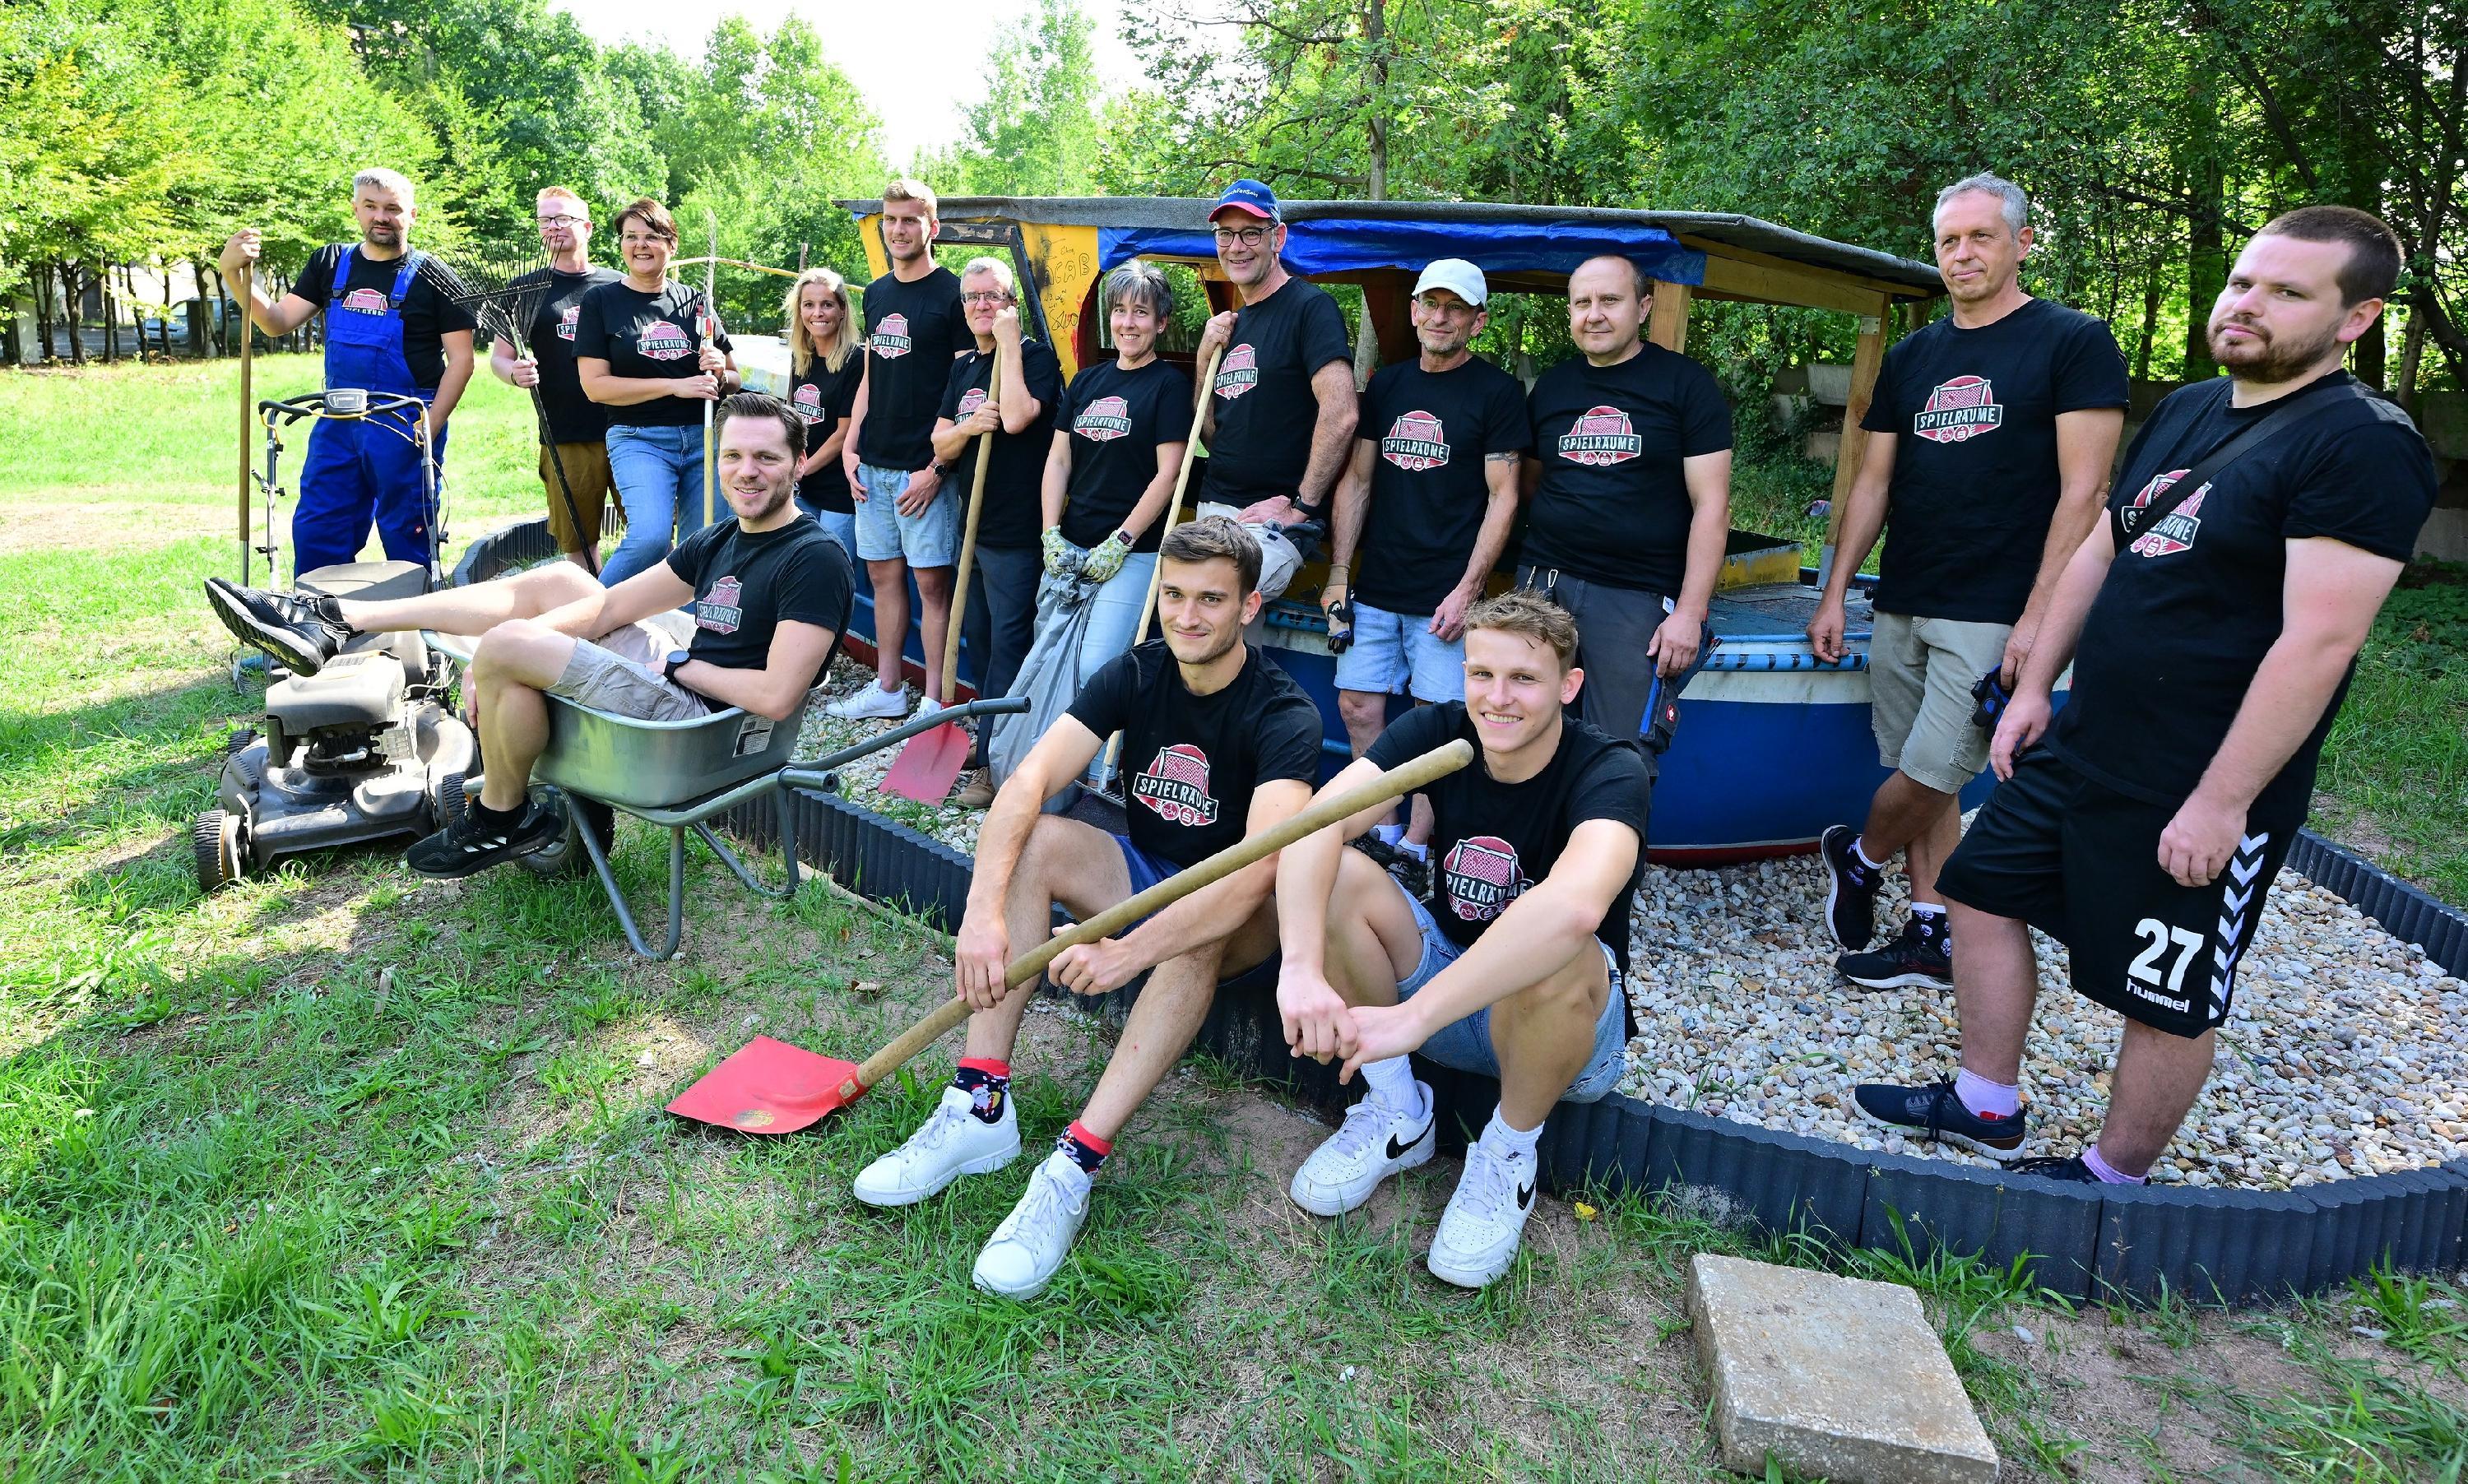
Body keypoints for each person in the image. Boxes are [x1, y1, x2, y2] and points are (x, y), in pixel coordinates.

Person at [1852, 207, 2435, 1185]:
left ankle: (2111, 1180)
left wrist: (2223, 801)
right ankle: (1986, 1101)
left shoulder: (2361, 443)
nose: (2247, 304)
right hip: (2087, 735)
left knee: (2166, 988)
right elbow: (2104, 544)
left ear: (2357, 318)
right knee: (1978, 891)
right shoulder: (2192, 406)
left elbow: (2320, 641)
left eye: (2288, 292)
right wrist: (2035, 686)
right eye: (2243, 282)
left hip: (2198, 770)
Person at [849, 518, 1320, 1298]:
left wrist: (1128, 952)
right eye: (1174, 595)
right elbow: (1028, 782)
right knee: (1035, 840)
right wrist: (982, 911)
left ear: (1249, 607)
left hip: (1237, 915)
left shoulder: (1284, 713)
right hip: (1146, 875)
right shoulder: (1137, 670)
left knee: (1197, 925)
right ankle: (980, 1103)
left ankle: (1075, 1163)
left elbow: (1254, 872)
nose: (1187, 616)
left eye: (1211, 599)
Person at [201, 393, 852, 879]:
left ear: (799, 463)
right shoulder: (723, 537)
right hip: (678, 682)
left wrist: (680, 667)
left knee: (509, 648)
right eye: (733, 455)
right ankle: (338, 618)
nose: (746, 471)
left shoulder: (812, 559)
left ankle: (502, 814)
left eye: (766, 457)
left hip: (701, 724)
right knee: (563, 583)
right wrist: (502, 656)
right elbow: (608, 607)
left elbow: (776, 697)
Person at [1807, 174, 2128, 992]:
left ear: (2021, 243)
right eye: (1949, 241)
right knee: (1924, 772)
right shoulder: (1914, 357)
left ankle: (1859, 855)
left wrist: (2040, 618)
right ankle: (1930, 930)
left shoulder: (2073, 342)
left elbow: (2086, 493)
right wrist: (1836, 590)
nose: (1962, 254)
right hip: (1905, 594)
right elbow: (1874, 483)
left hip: (1997, 605)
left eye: (1981, 236)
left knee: (1938, 767)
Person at [1273, 589, 1645, 1287]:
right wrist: (1298, 967)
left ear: (1568, 687)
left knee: (1553, 940)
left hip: (1557, 1039)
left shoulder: (1610, 768)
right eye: (1481, 674)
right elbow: (1316, 824)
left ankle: (1508, 1154)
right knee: (1340, 874)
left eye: (1524, 678)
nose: (1497, 699)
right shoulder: (1441, 733)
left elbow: (1573, 910)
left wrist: (1412, 1017)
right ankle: (1398, 1110)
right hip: (1448, 994)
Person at [1321, 258, 1527, 850]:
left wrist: (1468, 591)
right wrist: (1339, 574)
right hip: (1377, 585)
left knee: (1435, 721)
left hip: (1446, 593)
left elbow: (1504, 497)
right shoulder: (1387, 386)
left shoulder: (1498, 393)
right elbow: (1357, 481)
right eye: (1431, 304)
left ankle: (1415, 845)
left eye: (1455, 308)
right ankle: (1381, 830)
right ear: (1414, 312)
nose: (1441, 317)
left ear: (1477, 321)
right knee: (1357, 706)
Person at [216, 168, 476, 576]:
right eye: (371, 206)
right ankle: (320, 610)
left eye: (393, 208)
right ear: (356, 209)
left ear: (412, 214)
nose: (381, 217)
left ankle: (414, 611)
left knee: (407, 528)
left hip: (405, 420)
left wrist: (433, 421)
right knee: (320, 524)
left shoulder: (436, 276)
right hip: (338, 418)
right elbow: (276, 322)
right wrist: (232, 273)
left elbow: (462, 360)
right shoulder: (331, 263)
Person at [1519, 254, 1733, 742]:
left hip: (1634, 598)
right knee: (1527, 733)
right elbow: (1530, 484)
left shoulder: (1685, 385)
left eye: (1610, 300)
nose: (1594, 314)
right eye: (1582, 303)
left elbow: (1712, 507)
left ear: (1643, 307)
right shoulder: (1552, 387)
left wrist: (1689, 613)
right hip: (1543, 585)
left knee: (1619, 750)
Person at [833, 179, 977, 721]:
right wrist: (851, 445)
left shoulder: (954, 295)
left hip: (925, 469)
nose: (898, 230)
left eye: (910, 220)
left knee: (932, 586)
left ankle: (936, 701)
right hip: (873, 465)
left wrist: (938, 468)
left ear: (931, 227)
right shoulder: (876, 293)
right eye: (890, 220)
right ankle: (889, 689)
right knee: (882, 578)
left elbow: (967, 388)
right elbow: (872, 375)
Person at [930, 256, 1062, 807]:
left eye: (992, 295)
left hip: (1016, 531)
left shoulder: (1037, 358)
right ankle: (985, 739)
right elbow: (939, 443)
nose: (980, 305)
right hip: (973, 530)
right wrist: (968, 426)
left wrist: (1009, 342)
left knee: (1009, 647)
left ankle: (996, 763)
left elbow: (1017, 418)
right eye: (971, 297)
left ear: (1012, 303)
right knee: (980, 642)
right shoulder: (963, 367)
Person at [1191, 179, 1357, 579]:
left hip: (1272, 516)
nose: (1236, 246)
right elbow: (1210, 434)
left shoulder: (1311, 309)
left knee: (1217, 592)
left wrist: (1300, 507)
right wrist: (1202, 360)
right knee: (1190, 603)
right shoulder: (1232, 326)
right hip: (1214, 506)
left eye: (1251, 232)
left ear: (1277, 238)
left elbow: (1342, 415)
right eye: (1226, 233)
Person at [1040, 260, 1195, 684]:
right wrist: (1050, 533)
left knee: (1097, 667)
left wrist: (1120, 542)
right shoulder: (1086, 382)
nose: (1128, 323)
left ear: (1161, 323)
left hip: (1133, 553)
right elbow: (1058, 460)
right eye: (1120, 310)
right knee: (1049, 655)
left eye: (1141, 312)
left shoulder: (1169, 386)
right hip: (1070, 546)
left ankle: (1096, 735)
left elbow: (1169, 474)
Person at [573, 197, 741, 586]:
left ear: (672, 244)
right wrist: (674, 386)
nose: (640, 245)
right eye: (630, 236)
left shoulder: (695, 302)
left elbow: (734, 379)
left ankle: (688, 621)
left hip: (703, 439)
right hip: (639, 438)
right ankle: (593, 613)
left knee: (704, 543)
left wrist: (719, 371)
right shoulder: (601, 301)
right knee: (650, 538)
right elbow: (595, 387)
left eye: (651, 236)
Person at [492, 186, 624, 571]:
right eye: (545, 220)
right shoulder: (524, 290)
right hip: (565, 432)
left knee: (649, 532)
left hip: (629, 426)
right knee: (579, 541)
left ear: (588, 227)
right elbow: (499, 358)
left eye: (563, 218)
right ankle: (590, 606)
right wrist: (514, 373)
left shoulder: (618, 285)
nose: (553, 226)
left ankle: (647, 603)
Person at [782, 266, 865, 555]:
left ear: (842, 310)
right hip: (804, 487)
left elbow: (844, 433)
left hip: (839, 490)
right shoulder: (800, 359)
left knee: (833, 565)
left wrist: (799, 471)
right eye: (809, 305)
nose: (818, 313)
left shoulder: (856, 361)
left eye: (827, 304)